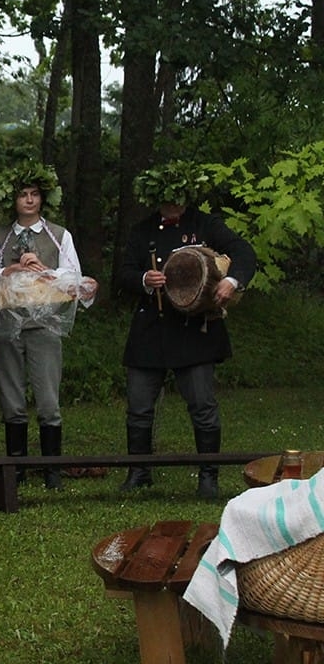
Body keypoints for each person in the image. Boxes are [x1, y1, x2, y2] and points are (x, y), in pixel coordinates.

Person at [119, 160, 256, 498]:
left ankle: (208, 476)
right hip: (150, 328)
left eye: (179, 199)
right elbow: (121, 274)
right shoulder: (142, 231)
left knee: (202, 406)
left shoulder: (205, 224)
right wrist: (143, 280)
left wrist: (232, 281)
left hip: (194, 331)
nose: (174, 206)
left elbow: (243, 251)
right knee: (138, 406)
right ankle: (139, 471)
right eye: (167, 201)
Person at [0, 163, 83, 490]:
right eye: (22, 195)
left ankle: (52, 467)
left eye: (34, 194)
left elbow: (73, 278)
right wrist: (11, 269)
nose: (28, 200)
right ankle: (18, 465)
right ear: (12, 200)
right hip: (8, 323)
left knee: (48, 396)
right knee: (12, 396)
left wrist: (44, 271)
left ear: (43, 198)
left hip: (46, 325)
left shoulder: (58, 234)